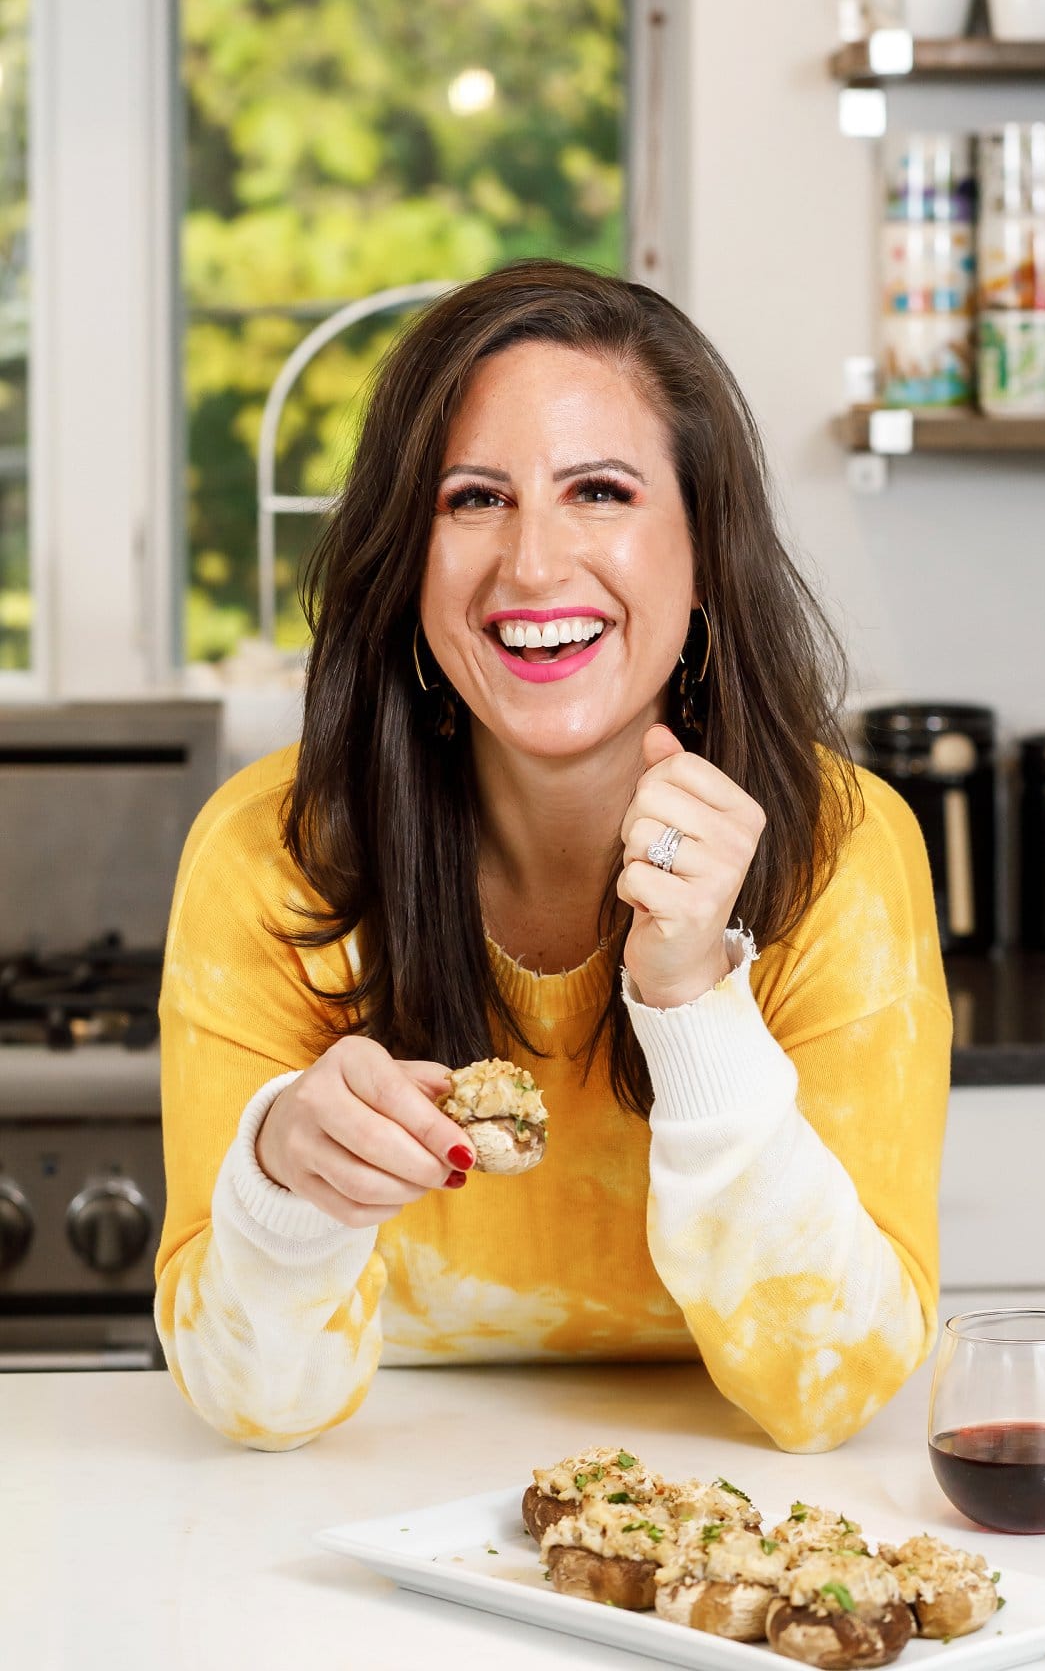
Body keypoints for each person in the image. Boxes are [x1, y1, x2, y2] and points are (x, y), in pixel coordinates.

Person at [154, 259, 950, 1454]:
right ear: (407, 563)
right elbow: (253, 1408)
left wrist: (691, 997)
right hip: (366, 1509)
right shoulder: (270, 855)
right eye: (474, 498)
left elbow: (829, 1393)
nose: (531, 565)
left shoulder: (847, 852)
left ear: (702, 555)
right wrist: (284, 1181)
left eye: (599, 491)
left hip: (711, 1501)